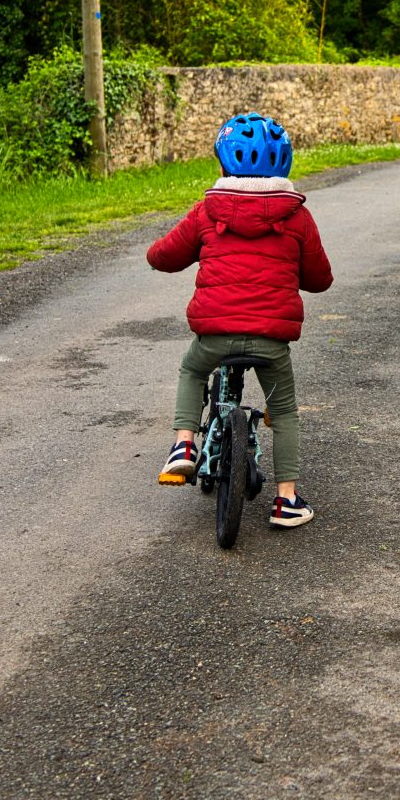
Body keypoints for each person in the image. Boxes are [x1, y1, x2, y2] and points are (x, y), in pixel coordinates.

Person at [146, 112, 333, 529]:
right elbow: (320, 280)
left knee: (193, 370)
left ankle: (184, 446)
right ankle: (286, 501)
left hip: (214, 335)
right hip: (270, 341)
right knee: (283, 411)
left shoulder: (206, 212)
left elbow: (165, 255)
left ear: (223, 163)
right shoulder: (297, 217)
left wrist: (157, 257)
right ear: (284, 166)